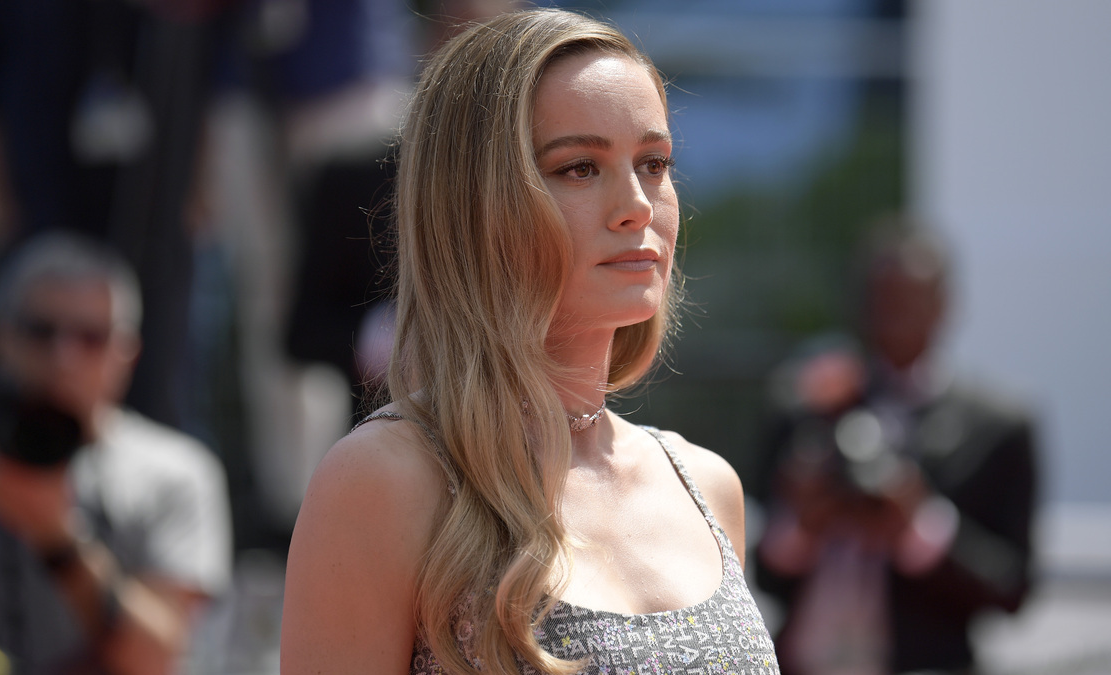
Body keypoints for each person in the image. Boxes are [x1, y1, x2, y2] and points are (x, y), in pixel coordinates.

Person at [280, 9, 780, 675]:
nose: (636, 203)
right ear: (477, 203)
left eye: (655, 162)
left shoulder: (707, 485)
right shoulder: (385, 480)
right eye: (579, 167)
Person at [755, 220, 1038, 675]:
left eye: (907, 300)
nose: (890, 316)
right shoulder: (808, 408)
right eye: (880, 300)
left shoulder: (998, 425)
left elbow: (1013, 589)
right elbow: (763, 574)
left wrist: (917, 522)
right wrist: (803, 523)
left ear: (943, 304)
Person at [0, 232, 232, 674]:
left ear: (127, 353)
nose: (63, 356)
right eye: (41, 331)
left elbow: (156, 656)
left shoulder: (177, 472)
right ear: (4, 337)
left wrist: (56, 536)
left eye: (90, 337)